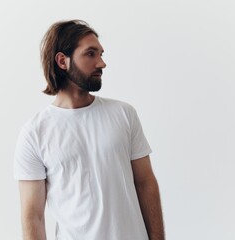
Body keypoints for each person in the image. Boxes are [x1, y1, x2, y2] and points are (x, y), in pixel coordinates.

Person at [14, 19, 165, 240]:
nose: (101, 63)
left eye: (101, 54)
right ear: (62, 61)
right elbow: (33, 216)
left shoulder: (123, 114)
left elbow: (145, 184)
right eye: (91, 54)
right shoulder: (35, 133)